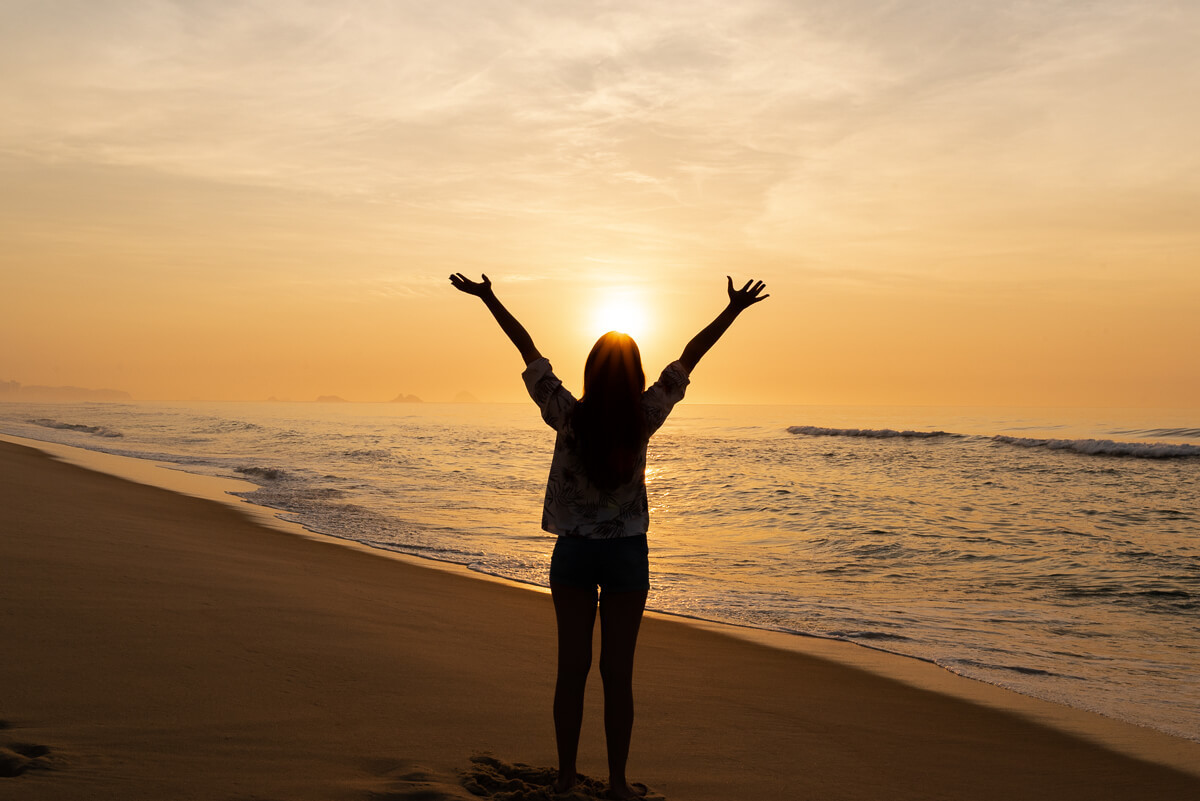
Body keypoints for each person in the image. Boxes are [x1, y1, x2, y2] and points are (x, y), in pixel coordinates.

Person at [449, 273, 768, 799]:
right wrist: (732, 311)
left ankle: (566, 778)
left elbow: (528, 350)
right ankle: (618, 783)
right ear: (635, 374)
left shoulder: (567, 414)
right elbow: (690, 357)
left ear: (591, 372)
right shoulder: (645, 414)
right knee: (618, 674)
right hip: (625, 558)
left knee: (571, 670)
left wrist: (489, 298)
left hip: (573, 556)